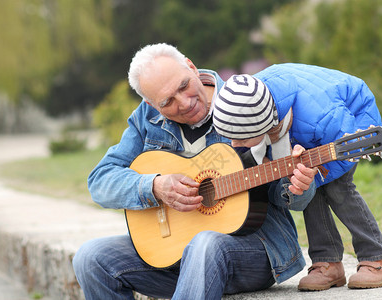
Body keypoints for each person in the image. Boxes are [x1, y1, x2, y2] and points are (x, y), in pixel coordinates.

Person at [72, 43, 318, 300]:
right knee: (90, 258)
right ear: (151, 103)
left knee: (204, 244)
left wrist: (298, 185)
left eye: (183, 86)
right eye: (167, 101)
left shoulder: (245, 99)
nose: (185, 102)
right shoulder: (145, 118)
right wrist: (154, 186)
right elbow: (100, 181)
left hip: (255, 249)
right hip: (174, 256)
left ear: (191, 66)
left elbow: (290, 198)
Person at [212, 67, 382, 291]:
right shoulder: (245, 102)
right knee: (308, 188)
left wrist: (313, 176)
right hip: (298, 129)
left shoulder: (323, 118)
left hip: (350, 127)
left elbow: (342, 150)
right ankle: (327, 264)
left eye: (241, 138)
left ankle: (377, 258)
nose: (234, 144)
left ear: (263, 126)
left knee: (338, 190)